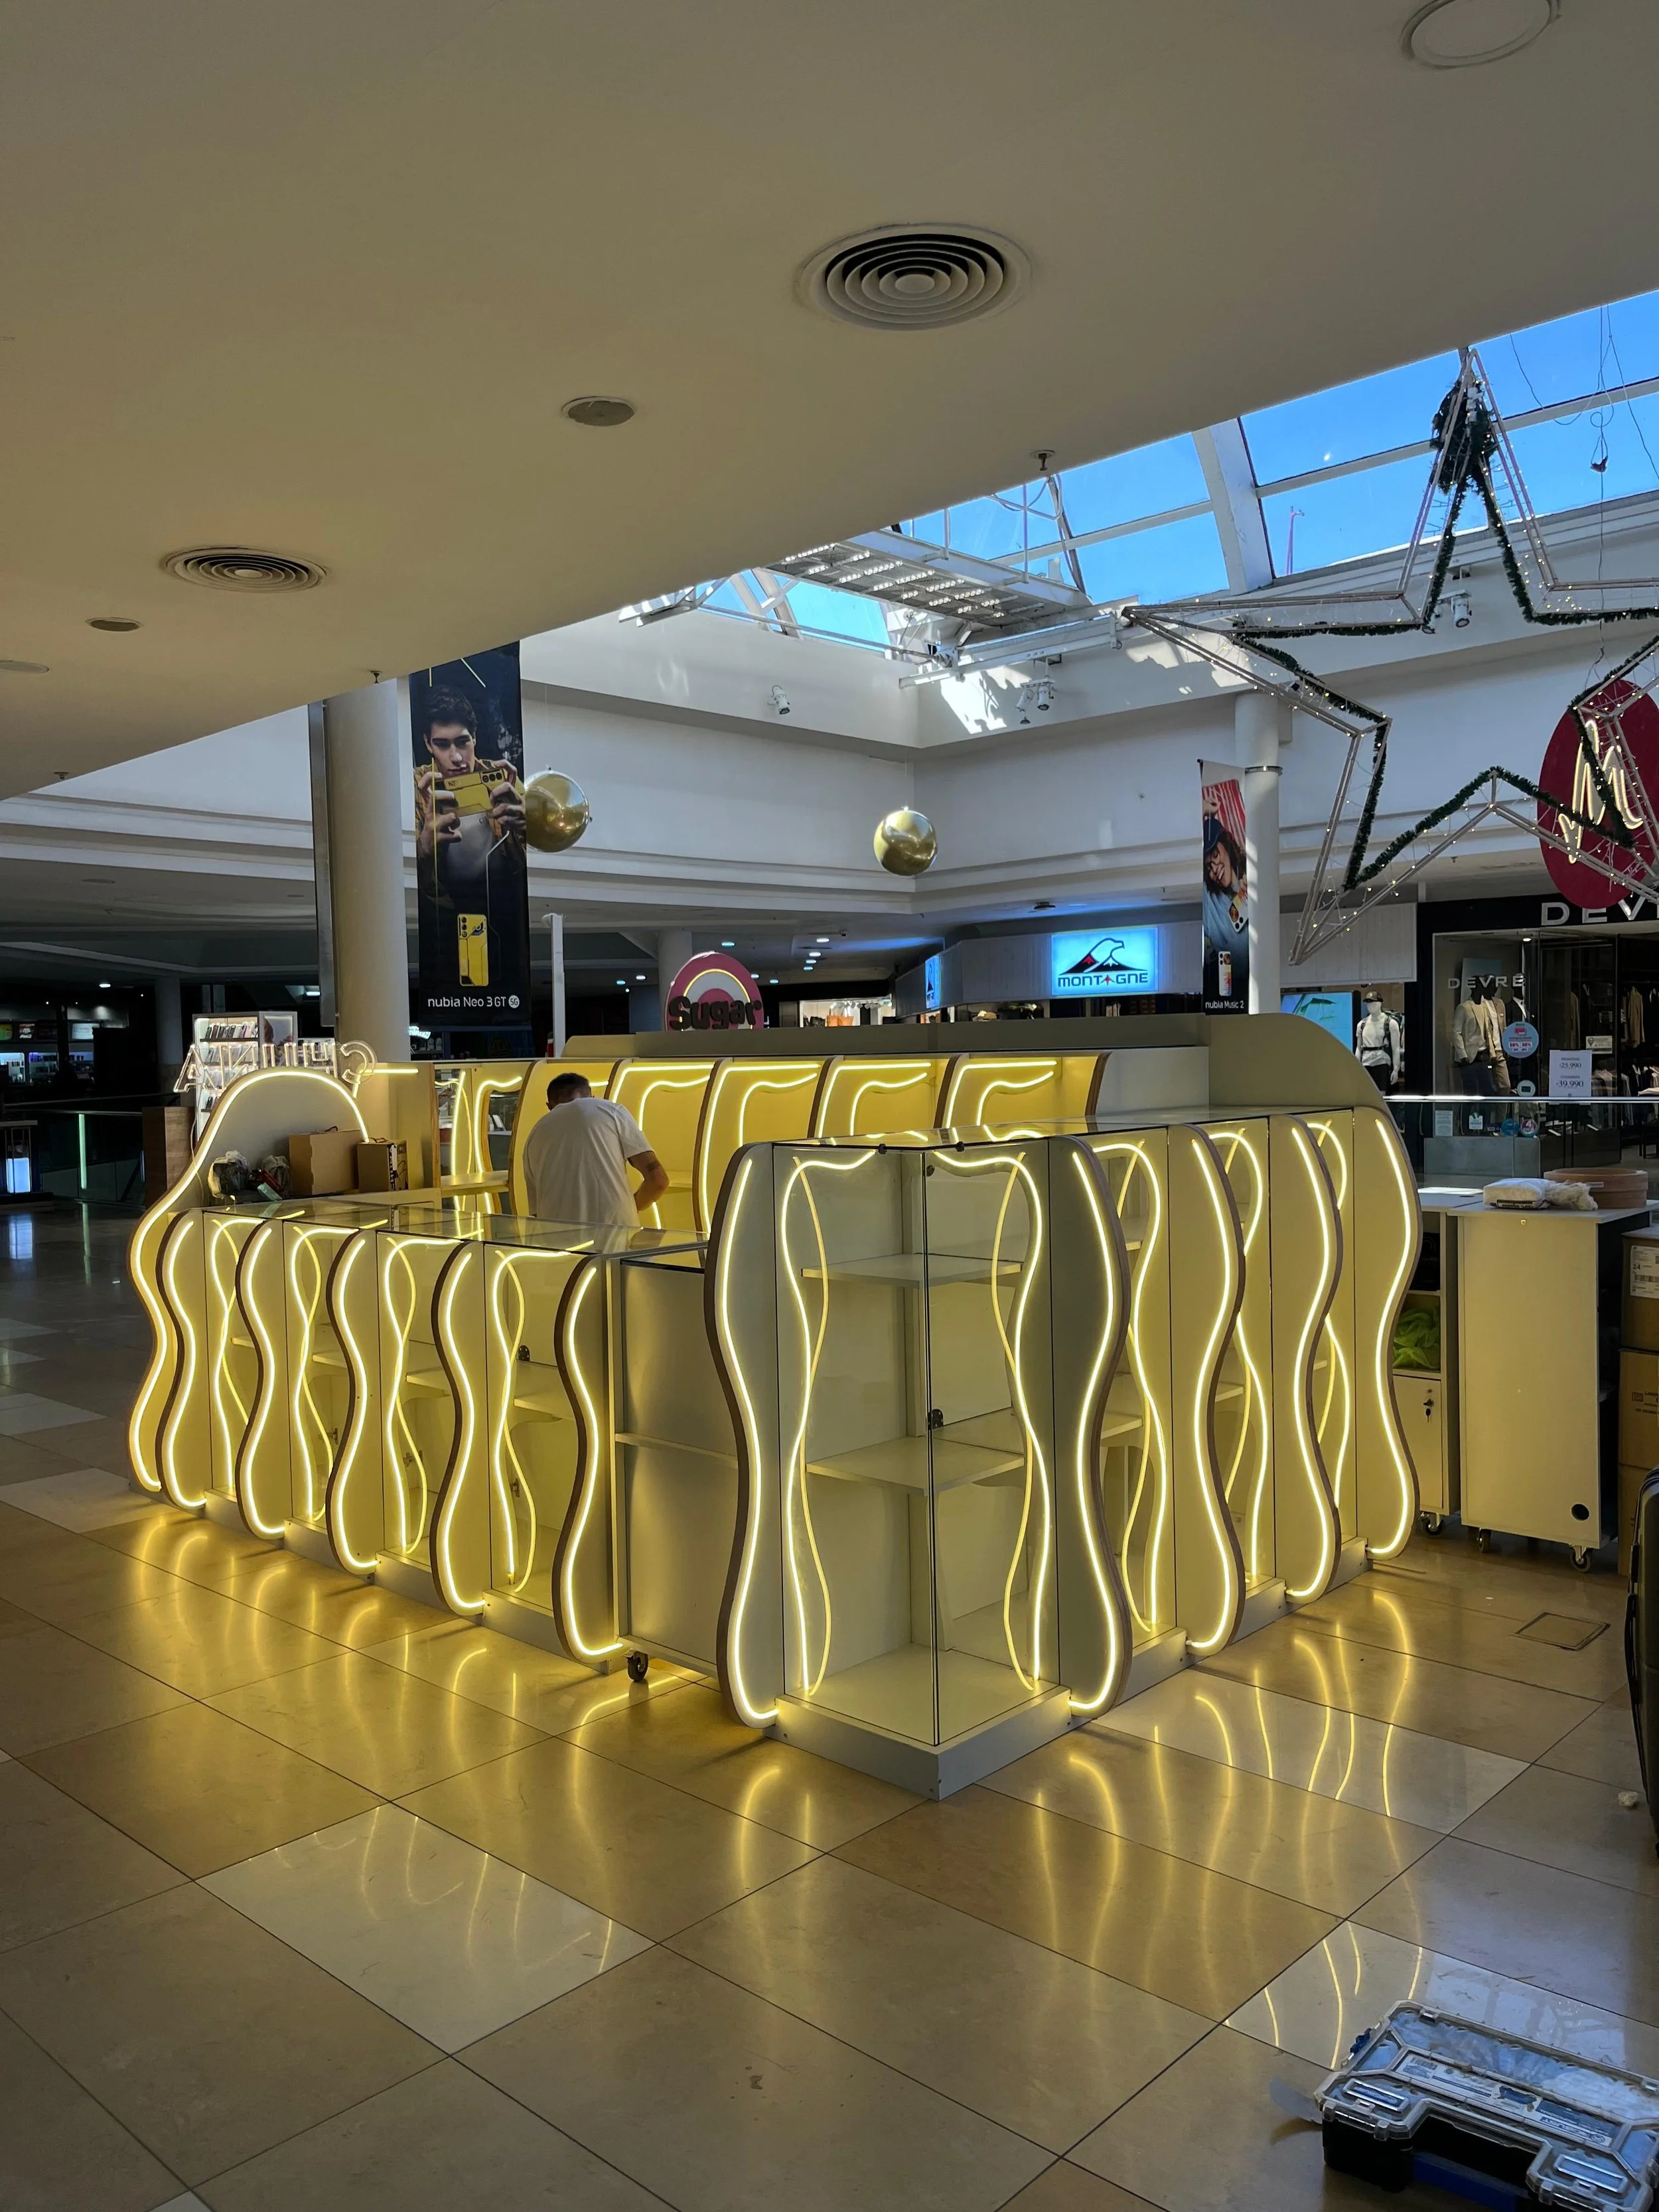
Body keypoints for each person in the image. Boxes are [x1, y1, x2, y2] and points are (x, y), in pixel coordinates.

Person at [521, 1072, 668, 1228]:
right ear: (591, 1097)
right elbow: (658, 1181)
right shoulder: (612, 1111)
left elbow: (537, 1212)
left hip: (557, 1238)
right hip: (614, 1235)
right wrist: (630, 1209)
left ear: (549, 1106)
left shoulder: (534, 1135)